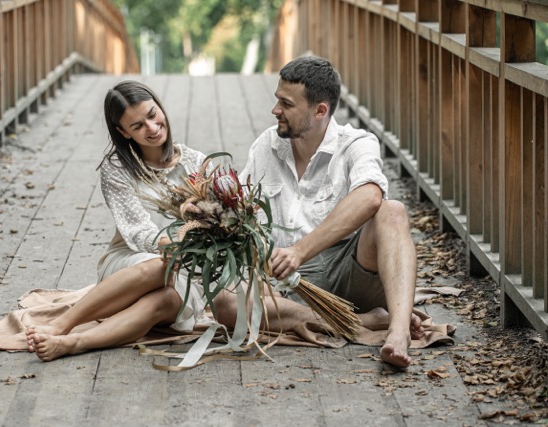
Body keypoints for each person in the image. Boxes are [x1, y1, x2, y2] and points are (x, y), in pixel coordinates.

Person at [24, 80, 358, 361]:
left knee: (170, 299)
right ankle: (62, 326)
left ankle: (73, 344)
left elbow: (227, 214)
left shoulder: (197, 162)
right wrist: (176, 246)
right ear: (122, 132)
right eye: (138, 126)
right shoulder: (116, 169)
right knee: (160, 265)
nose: (152, 129)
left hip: (188, 271)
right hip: (131, 263)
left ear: (160, 108)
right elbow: (139, 232)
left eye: (153, 116)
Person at [239, 56, 424, 368]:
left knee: (392, 211)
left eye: (286, 104)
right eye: (277, 101)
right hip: (287, 286)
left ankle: (397, 332)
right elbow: (241, 205)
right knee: (225, 302)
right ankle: (361, 321)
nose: (275, 111)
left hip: (351, 271)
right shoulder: (266, 146)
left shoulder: (357, 143)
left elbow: (369, 197)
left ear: (320, 110)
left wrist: (299, 251)